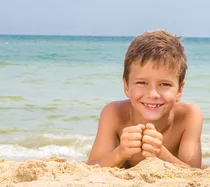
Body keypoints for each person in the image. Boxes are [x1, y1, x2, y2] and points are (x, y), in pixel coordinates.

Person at [87, 30, 203, 168]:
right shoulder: (113, 113)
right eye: (142, 83)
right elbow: (92, 167)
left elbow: (194, 172)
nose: (153, 94)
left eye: (165, 84)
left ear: (179, 90)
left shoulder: (189, 116)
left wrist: (162, 154)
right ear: (126, 86)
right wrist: (120, 153)